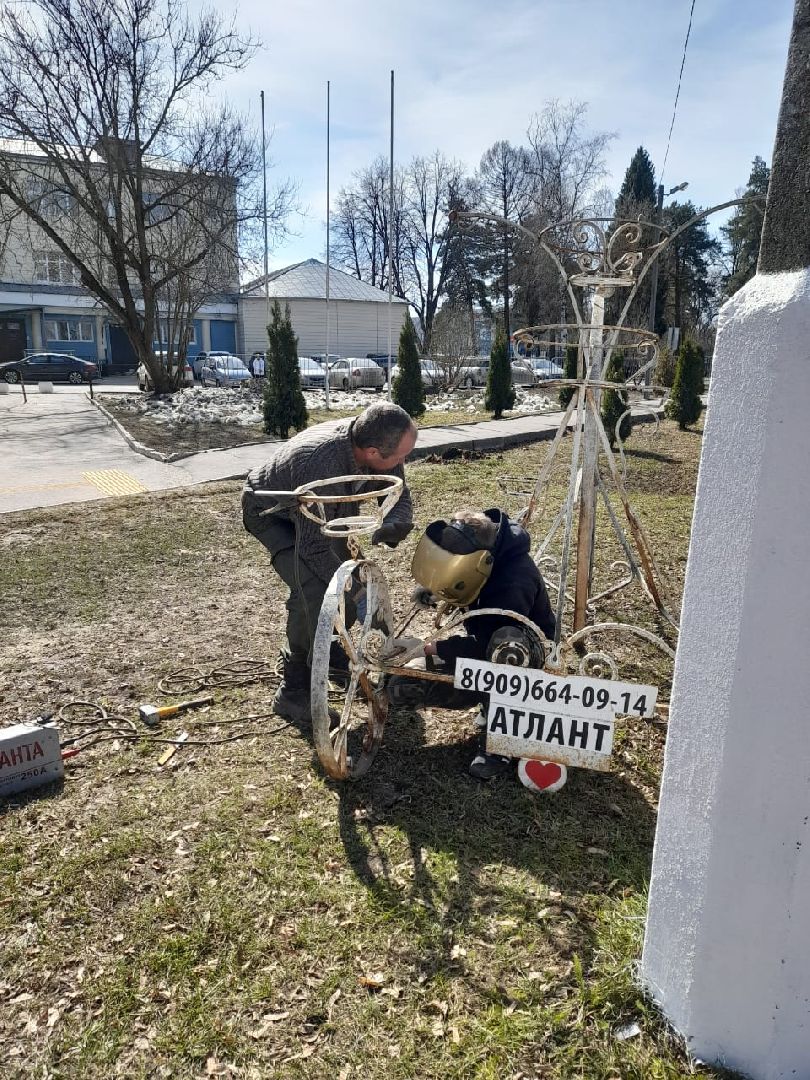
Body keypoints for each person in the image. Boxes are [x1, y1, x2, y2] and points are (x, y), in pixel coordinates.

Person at [242, 402, 417, 726]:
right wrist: (351, 591)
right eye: (399, 457)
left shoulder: (378, 436)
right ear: (372, 452)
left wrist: (397, 519)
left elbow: (398, 492)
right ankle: (293, 690)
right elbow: (312, 548)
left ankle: (332, 649)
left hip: (323, 515)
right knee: (316, 588)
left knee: (347, 580)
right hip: (274, 516)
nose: (402, 463)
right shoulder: (320, 463)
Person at [386, 508, 555, 779]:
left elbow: (488, 643)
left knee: (506, 645)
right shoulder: (483, 551)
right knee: (403, 688)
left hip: (524, 655)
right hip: (485, 646)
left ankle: (503, 742)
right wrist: (434, 589)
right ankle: (488, 702)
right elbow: (468, 587)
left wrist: (430, 648)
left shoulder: (514, 579)